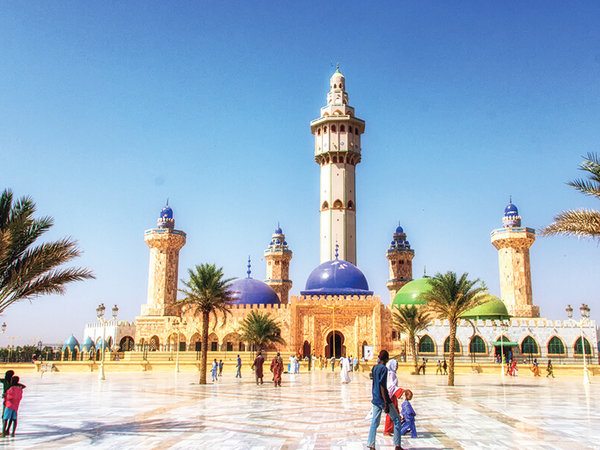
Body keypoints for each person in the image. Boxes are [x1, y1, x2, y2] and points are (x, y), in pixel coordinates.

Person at [367, 350, 402, 450]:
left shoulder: (374, 367)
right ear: (387, 359)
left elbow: (374, 380)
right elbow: (382, 386)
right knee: (396, 419)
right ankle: (397, 445)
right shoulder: (384, 369)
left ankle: (371, 444)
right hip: (383, 399)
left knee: (374, 422)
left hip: (375, 398)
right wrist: (386, 402)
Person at [384, 359, 404, 436]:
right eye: (396, 365)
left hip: (392, 396)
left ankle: (393, 428)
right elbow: (391, 386)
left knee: (395, 412)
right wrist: (400, 391)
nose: (397, 366)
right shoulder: (391, 374)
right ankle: (387, 430)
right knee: (391, 413)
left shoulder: (389, 373)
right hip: (391, 396)